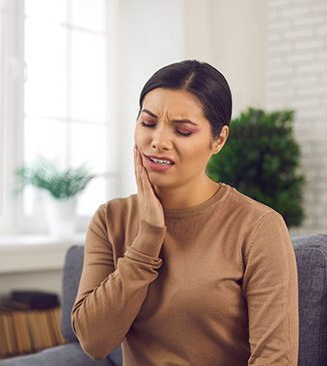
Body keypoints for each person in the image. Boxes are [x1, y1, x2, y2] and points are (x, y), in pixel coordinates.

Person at [71, 60, 299, 366]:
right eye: (148, 123)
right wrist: (148, 238)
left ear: (218, 140)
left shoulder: (259, 227)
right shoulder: (110, 219)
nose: (158, 142)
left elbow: (275, 359)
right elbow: (93, 341)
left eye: (183, 130)